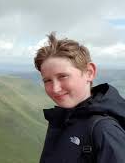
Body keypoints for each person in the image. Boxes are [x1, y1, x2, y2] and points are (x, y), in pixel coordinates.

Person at [34, 32, 125, 163]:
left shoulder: (104, 129)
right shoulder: (65, 118)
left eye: (63, 76)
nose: (55, 88)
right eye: (47, 80)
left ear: (89, 72)